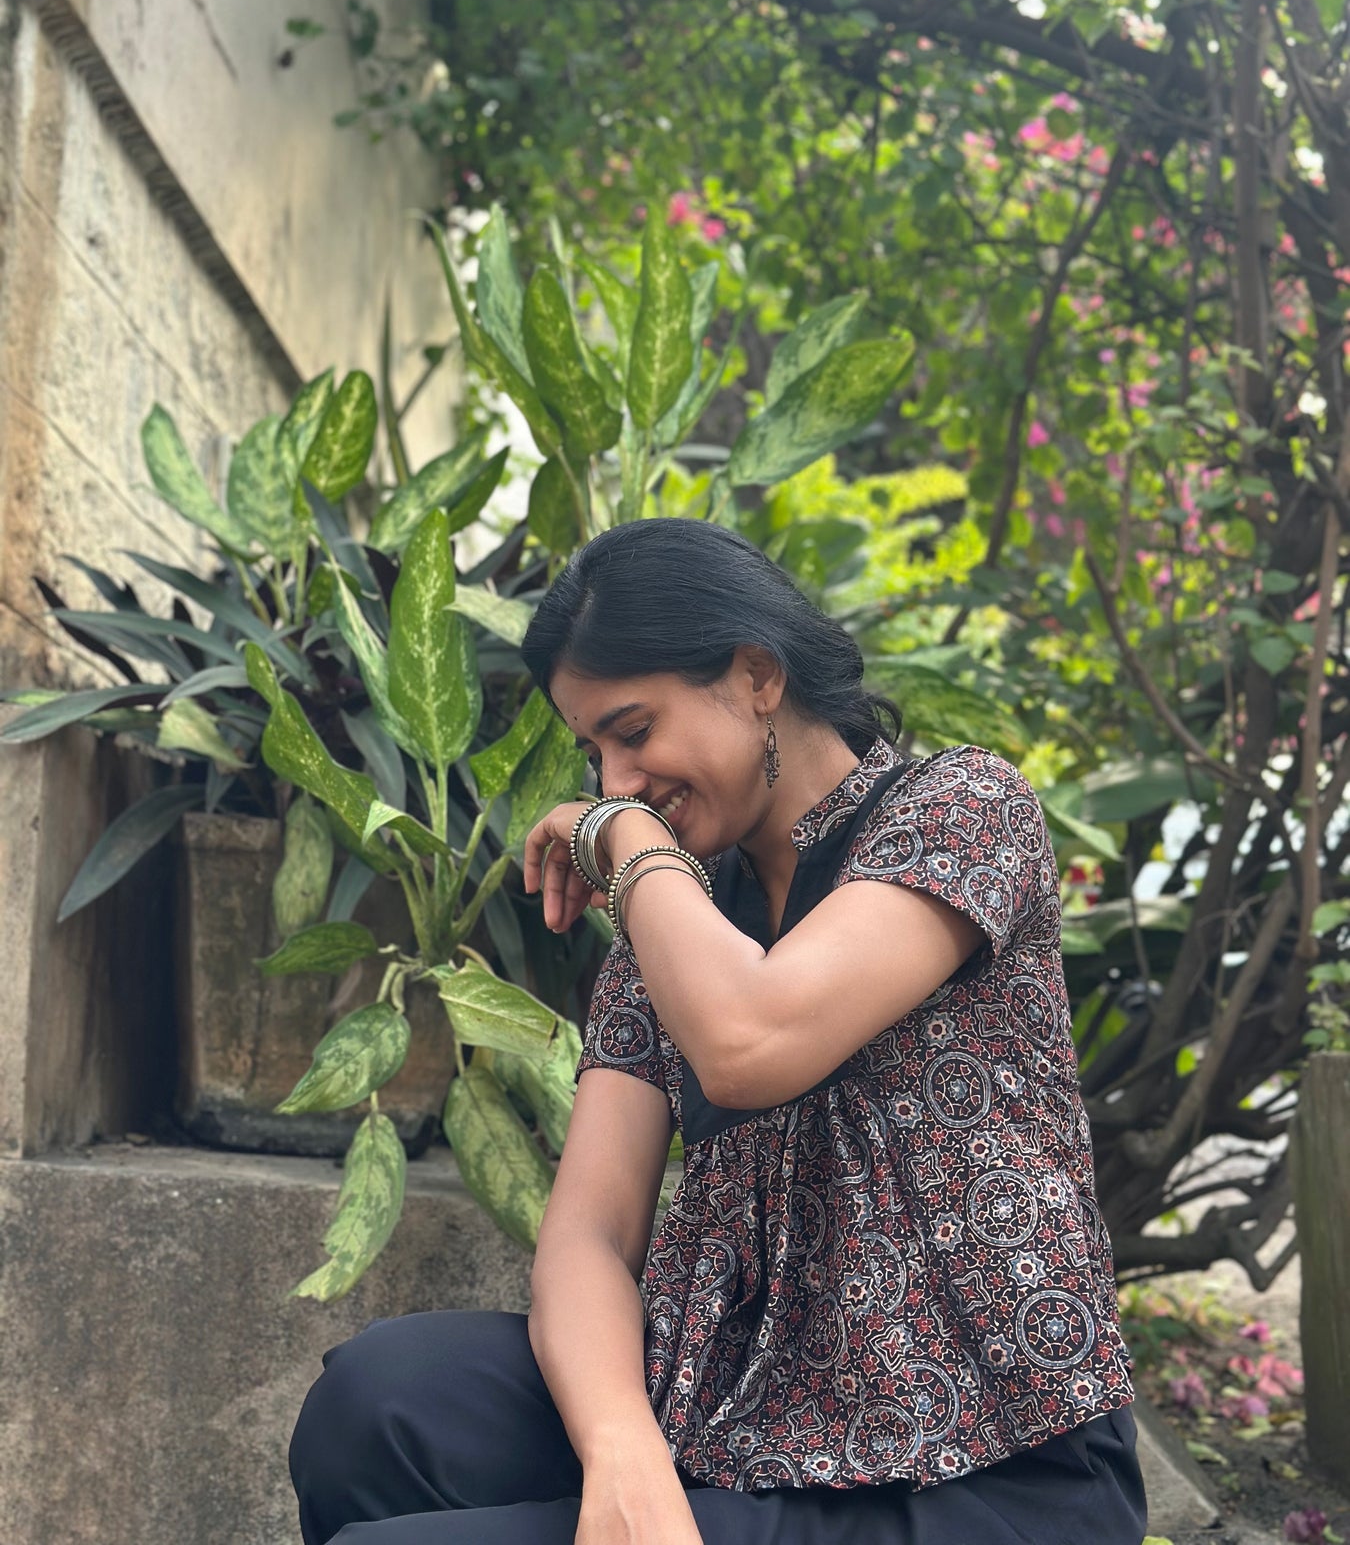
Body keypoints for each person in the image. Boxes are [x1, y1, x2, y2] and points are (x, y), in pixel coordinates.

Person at [289, 518, 1145, 1545]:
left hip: (975, 1470)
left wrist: (626, 840)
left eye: (634, 730)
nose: (614, 782)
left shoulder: (963, 809)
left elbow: (749, 1044)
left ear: (756, 676)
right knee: (371, 1407)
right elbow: (589, 1234)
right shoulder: (677, 909)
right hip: (732, 1408)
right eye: (594, 753)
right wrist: (621, 1449)